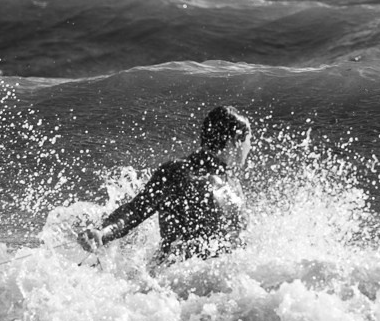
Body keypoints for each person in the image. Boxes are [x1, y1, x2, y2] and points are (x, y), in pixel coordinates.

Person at [79, 106, 252, 265]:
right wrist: (102, 233)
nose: (249, 147)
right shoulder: (179, 172)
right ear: (236, 139)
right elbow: (136, 210)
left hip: (217, 282)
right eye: (249, 140)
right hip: (173, 279)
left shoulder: (231, 181)